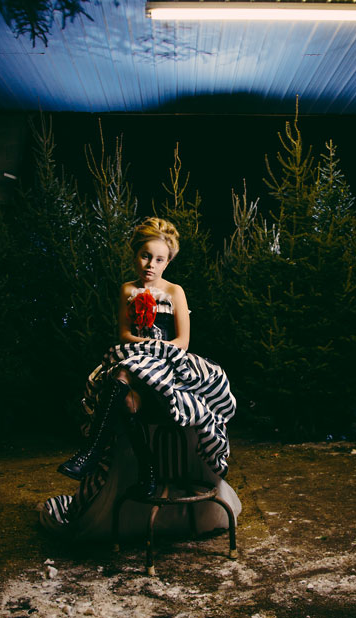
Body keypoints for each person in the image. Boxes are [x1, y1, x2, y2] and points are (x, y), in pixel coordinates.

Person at [39, 217, 240, 539]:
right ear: (136, 255)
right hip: (133, 361)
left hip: (170, 363)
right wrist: (143, 348)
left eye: (159, 259)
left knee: (128, 371)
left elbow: (183, 342)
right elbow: (123, 335)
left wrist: (155, 350)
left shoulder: (174, 291)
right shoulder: (127, 290)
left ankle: (92, 451)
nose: (151, 264)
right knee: (123, 378)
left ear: (168, 261)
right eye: (146, 256)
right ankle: (142, 467)